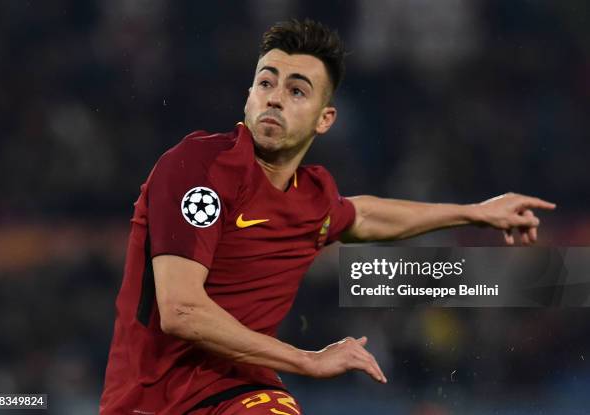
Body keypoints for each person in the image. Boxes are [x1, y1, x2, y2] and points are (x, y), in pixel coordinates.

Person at [99, 19, 555, 415]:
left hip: (239, 392)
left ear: (325, 119)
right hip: (151, 399)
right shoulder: (199, 166)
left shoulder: (312, 196)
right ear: (247, 97)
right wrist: (308, 360)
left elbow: (365, 216)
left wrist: (475, 213)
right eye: (266, 82)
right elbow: (180, 310)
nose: (275, 98)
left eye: (296, 89)